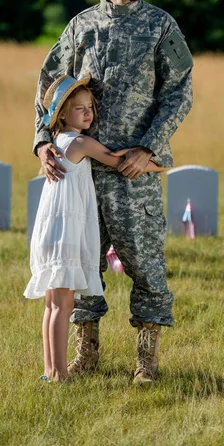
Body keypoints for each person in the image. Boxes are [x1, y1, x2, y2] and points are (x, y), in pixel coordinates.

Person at [33, 0, 193, 384]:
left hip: (132, 172)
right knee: (82, 266)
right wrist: (44, 139)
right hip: (80, 176)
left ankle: (147, 359)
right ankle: (87, 354)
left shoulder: (161, 25)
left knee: (146, 266)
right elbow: (50, 83)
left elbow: (179, 93)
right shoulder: (82, 26)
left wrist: (150, 148)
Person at [25, 74, 164, 382]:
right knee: (63, 305)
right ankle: (60, 374)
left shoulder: (57, 142)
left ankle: (51, 370)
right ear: (62, 114)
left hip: (50, 230)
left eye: (90, 106)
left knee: (52, 305)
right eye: (79, 109)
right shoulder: (80, 142)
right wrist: (157, 164)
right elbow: (116, 159)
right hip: (65, 234)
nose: (88, 113)